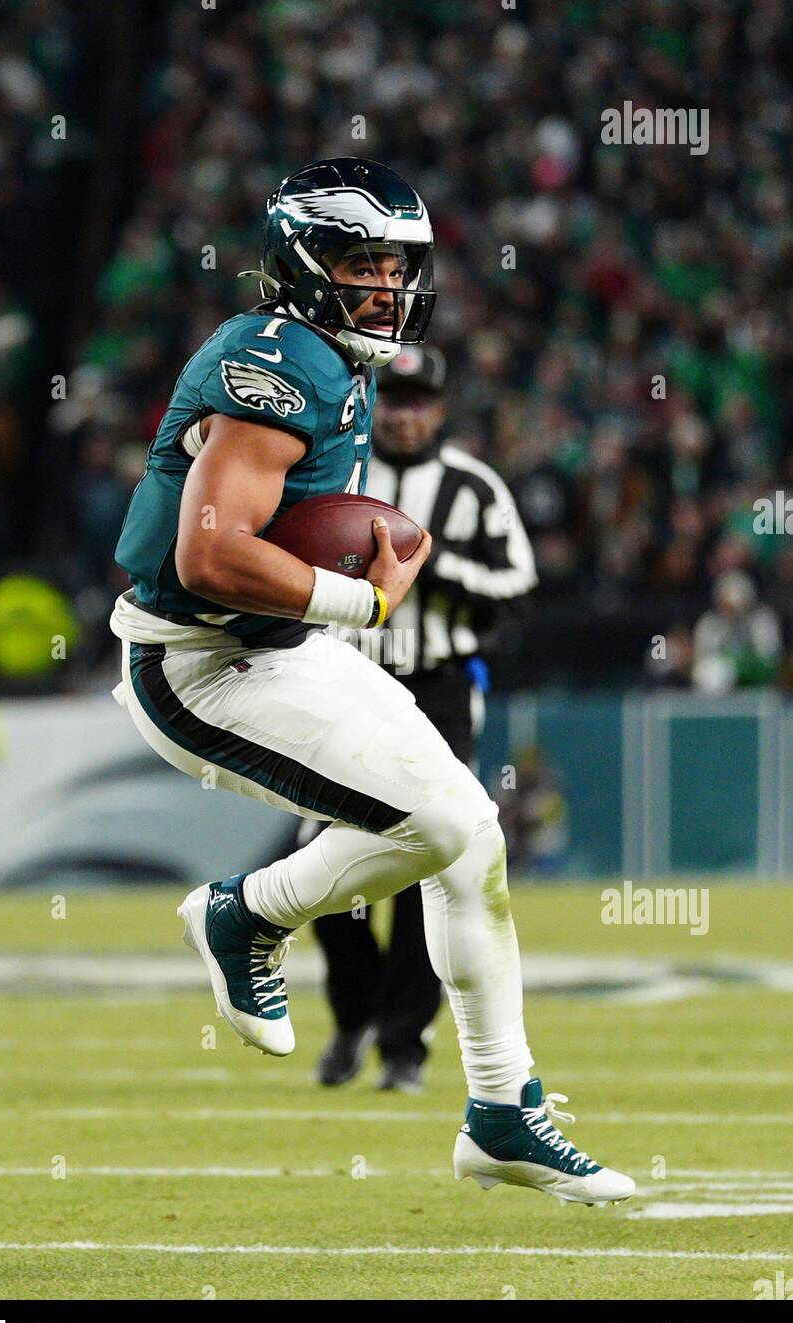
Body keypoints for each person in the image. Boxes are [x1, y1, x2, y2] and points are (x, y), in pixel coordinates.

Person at [109, 157, 634, 1206]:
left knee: (471, 831)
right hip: (199, 663)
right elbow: (212, 555)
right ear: (300, 265)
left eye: (397, 264)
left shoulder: (331, 357)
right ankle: (246, 911)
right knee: (436, 823)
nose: (388, 287)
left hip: (278, 647)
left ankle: (501, 1110)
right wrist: (364, 602)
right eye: (361, 263)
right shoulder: (273, 367)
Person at [306, 345, 537, 1093]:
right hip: (347, 680)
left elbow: (518, 587)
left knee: (424, 867)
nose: (405, 415)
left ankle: (403, 1046)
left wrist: (427, 561)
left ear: (440, 407)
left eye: (418, 401)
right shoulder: (340, 473)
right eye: (394, 400)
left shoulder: (473, 486)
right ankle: (356, 1012)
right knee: (311, 858)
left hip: (437, 688)